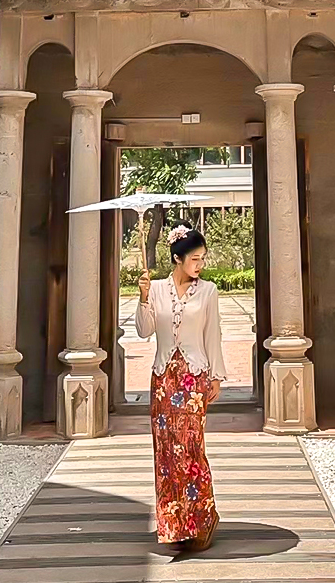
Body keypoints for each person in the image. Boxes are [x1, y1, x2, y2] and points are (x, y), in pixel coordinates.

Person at [136, 222, 227, 552]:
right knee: (166, 455)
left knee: (190, 450)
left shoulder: (209, 291)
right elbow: (145, 331)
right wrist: (143, 298)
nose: (200, 265)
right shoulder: (156, 289)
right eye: (195, 259)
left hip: (193, 379)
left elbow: (212, 335)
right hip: (163, 380)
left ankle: (202, 519)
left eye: (203, 259)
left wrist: (216, 376)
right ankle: (174, 524)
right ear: (177, 258)